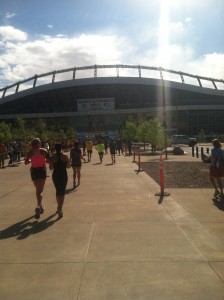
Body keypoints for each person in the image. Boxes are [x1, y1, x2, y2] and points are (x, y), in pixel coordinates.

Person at [25, 138, 50, 219]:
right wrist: (44, 160)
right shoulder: (43, 150)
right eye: (40, 142)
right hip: (41, 171)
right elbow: (49, 161)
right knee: (40, 190)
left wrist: (32, 160)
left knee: (37, 190)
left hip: (34, 171)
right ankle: (38, 206)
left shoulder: (30, 152)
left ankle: (41, 207)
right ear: (38, 144)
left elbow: (26, 162)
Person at [49, 143, 70, 218]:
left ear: (55, 148)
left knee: (58, 191)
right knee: (62, 192)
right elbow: (68, 166)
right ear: (61, 148)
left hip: (56, 175)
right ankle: (60, 208)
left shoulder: (52, 157)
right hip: (63, 174)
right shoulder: (65, 156)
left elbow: (51, 168)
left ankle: (58, 207)